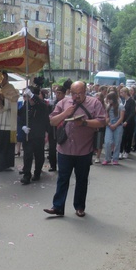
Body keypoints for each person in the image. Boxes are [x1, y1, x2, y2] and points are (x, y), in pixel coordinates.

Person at [44, 81, 106, 217]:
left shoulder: (94, 103)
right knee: (62, 178)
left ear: (85, 92)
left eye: (79, 93)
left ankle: (79, 206)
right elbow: (52, 121)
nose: (76, 96)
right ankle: (58, 207)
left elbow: (102, 122)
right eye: (73, 93)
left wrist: (84, 123)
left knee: (82, 179)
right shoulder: (63, 103)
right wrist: (65, 113)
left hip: (84, 149)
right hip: (64, 148)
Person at [19, 85, 48, 184]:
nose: (27, 99)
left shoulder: (41, 105)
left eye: (28, 96)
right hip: (28, 135)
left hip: (38, 135)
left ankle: (37, 172)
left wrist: (32, 95)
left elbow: (42, 105)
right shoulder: (25, 105)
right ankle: (26, 175)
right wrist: (23, 126)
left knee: (39, 156)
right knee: (27, 155)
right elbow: (20, 117)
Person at [45, 85, 65, 172]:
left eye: (59, 93)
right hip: (53, 128)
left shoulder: (66, 103)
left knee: (63, 148)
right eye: (56, 93)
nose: (57, 95)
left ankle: (63, 165)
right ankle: (53, 165)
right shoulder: (53, 102)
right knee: (52, 148)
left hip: (62, 128)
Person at [102, 91, 125, 165]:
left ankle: (115, 158)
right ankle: (107, 158)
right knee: (107, 142)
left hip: (118, 126)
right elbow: (106, 117)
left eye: (110, 99)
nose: (108, 101)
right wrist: (108, 124)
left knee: (117, 143)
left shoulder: (120, 106)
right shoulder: (108, 106)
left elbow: (121, 118)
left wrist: (115, 125)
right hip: (109, 126)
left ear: (113, 99)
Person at [120, 87, 136, 159]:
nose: (121, 94)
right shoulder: (122, 101)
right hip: (123, 120)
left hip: (130, 122)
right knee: (122, 137)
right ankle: (120, 151)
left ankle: (127, 151)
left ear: (126, 92)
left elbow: (132, 112)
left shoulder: (131, 101)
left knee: (128, 136)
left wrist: (127, 121)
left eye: (122, 92)